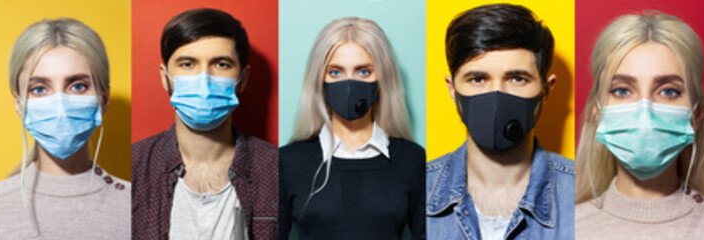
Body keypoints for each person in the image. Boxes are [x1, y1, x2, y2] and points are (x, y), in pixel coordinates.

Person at [426, 4, 573, 240]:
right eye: (477, 79)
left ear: (546, 90)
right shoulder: (416, 190)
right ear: (453, 90)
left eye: (517, 79)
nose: (496, 95)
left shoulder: (586, 198)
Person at [130, 8, 278, 240]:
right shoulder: (132, 168)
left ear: (243, 79)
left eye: (221, 64)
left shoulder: (277, 169)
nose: (204, 79)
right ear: (164, 77)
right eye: (187, 64)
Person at [573, 11, 704, 239]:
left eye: (668, 91)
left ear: (696, 115)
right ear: (596, 112)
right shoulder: (567, 227)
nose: (645, 111)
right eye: (622, 90)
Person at [277, 16, 425, 240]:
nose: (349, 83)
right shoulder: (288, 162)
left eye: (363, 71)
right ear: (319, 80)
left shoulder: (411, 160)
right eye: (335, 72)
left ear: (381, 80)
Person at [0, 18, 130, 239]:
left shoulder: (135, 203)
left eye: (78, 86)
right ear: (18, 103)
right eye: (40, 89)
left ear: (104, 99)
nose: (60, 105)